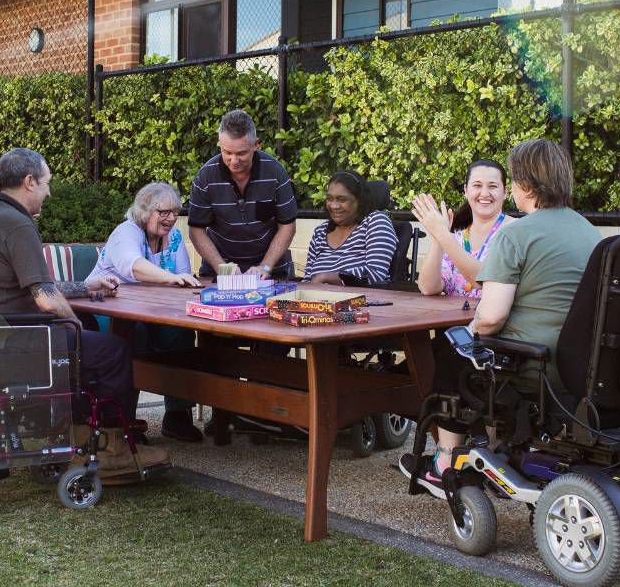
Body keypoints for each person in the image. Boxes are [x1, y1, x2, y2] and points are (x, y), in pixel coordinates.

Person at [400, 139, 600, 497]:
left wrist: (467, 334)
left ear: (523, 185)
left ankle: (444, 460)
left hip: (535, 367)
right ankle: (491, 450)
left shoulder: (515, 233)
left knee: (450, 350)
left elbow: (490, 318)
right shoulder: (589, 232)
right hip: (583, 366)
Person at [0, 147, 169, 472]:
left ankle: (79, 435)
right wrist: (74, 329)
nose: (49, 191)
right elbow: (44, 297)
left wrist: (86, 287)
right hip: (10, 342)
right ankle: (111, 449)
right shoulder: (17, 224)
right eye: (46, 183)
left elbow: (36, 286)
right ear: (29, 182)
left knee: (89, 334)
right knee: (111, 352)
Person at [86, 182, 205, 442]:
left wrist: (179, 281)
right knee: (132, 335)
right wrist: (170, 278)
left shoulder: (172, 237)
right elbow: (134, 267)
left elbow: (181, 277)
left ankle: (177, 415)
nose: (171, 218)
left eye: (175, 211)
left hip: (150, 309)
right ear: (143, 211)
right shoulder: (126, 232)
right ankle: (123, 420)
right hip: (108, 308)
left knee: (180, 333)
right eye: (163, 212)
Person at [187, 109, 298, 280]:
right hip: (218, 273)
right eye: (227, 152)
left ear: (256, 145)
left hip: (272, 273)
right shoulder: (205, 177)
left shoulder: (276, 173)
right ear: (220, 145)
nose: (234, 160)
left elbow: (287, 226)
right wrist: (221, 267)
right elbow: (196, 230)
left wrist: (265, 266)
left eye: (241, 153)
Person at [412, 160, 514, 298]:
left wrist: (442, 234)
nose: (484, 193)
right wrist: (438, 237)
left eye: (493, 186)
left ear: (505, 192)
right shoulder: (456, 238)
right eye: (477, 185)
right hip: (453, 319)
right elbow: (428, 288)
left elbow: (485, 279)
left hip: (495, 319)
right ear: (466, 191)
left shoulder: (515, 231)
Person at [303, 171, 397, 286]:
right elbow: (307, 280)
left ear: (359, 201)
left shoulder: (375, 222)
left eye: (341, 200)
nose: (333, 206)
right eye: (329, 198)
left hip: (361, 301)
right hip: (316, 301)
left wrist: (326, 277)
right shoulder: (320, 232)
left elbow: (375, 274)